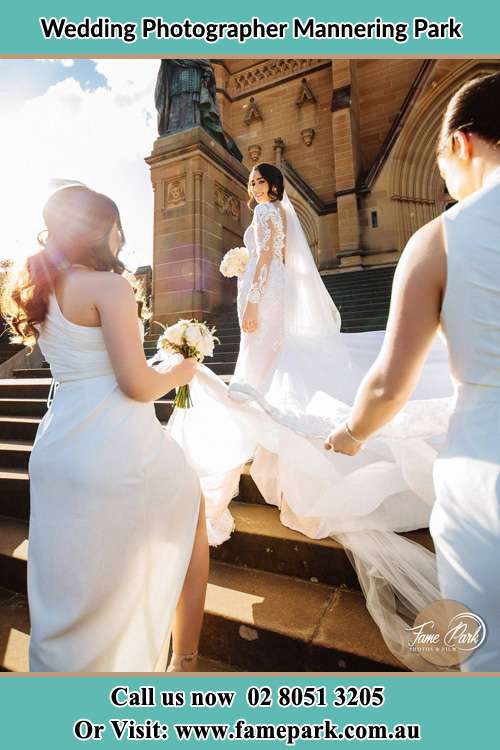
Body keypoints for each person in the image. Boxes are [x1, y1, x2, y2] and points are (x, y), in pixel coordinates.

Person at [167, 162, 454, 670]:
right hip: (265, 293)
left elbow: (269, 260)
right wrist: (244, 268)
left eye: (261, 181)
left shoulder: (270, 214)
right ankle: (264, 429)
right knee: (263, 367)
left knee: (261, 365)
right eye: (252, 182)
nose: (255, 187)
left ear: (275, 185)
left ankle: (266, 430)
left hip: (265, 297)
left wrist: (251, 297)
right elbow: (265, 257)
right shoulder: (270, 213)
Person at [326, 72, 500, 672]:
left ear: (461, 143)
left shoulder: (439, 239)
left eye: (442, 165)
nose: (446, 183)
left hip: (488, 470)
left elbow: (388, 383)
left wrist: (351, 435)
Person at [1, 184, 208, 672]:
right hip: (118, 445)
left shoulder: (43, 289)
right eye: (118, 225)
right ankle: (185, 663)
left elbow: (91, 363)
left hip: (59, 448)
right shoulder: (110, 287)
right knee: (192, 517)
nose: (123, 235)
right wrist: (181, 371)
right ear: (101, 230)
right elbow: (136, 384)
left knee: (68, 586)